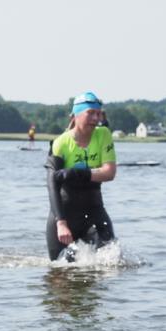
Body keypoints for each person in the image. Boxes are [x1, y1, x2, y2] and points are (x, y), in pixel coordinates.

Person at [45, 91, 118, 261]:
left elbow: (110, 172)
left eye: (98, 113)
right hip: (65, 213)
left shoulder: (103, 134)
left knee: (111, 261)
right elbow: (51, 184)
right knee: (59, 274)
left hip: (94, 210)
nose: (95, 118)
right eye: (90, 113)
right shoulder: (61, 143)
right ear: (76, 115)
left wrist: (78, 173)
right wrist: (61, 223)